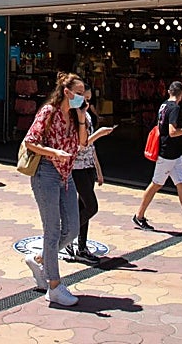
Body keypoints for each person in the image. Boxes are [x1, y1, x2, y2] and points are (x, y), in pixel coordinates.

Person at [22, 72, 88, 307]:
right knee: (52, 230)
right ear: (67, 92)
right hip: (46, 173)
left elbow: (82, 143)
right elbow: (30, 141)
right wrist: (54, 153)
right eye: (79, 94)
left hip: (66, 175)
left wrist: (81, 118)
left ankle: (41, 259)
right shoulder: (49, 111)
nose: (83, 98)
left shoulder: (74, 115)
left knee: (71, 228)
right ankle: (54, 286)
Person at [134, 80, 182, 233]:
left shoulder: (163, 106)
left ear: (169, 92)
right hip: (167, 153)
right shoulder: (175, 108)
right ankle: (139, 216)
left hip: (173, 153)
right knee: (156, 184)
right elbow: (172, 132)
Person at [66, 87, 113, 262]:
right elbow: (80, 144)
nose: (86, 102)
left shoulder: (85, 116)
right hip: (77, 167)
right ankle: (68, 234)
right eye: (83, 98)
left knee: (83, 207)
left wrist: (98, 170)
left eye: (89, 99)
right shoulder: (73, 117)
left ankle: (81, 246)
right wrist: (99, 135)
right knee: (91, 206)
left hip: (87, 167)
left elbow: (90, 148)